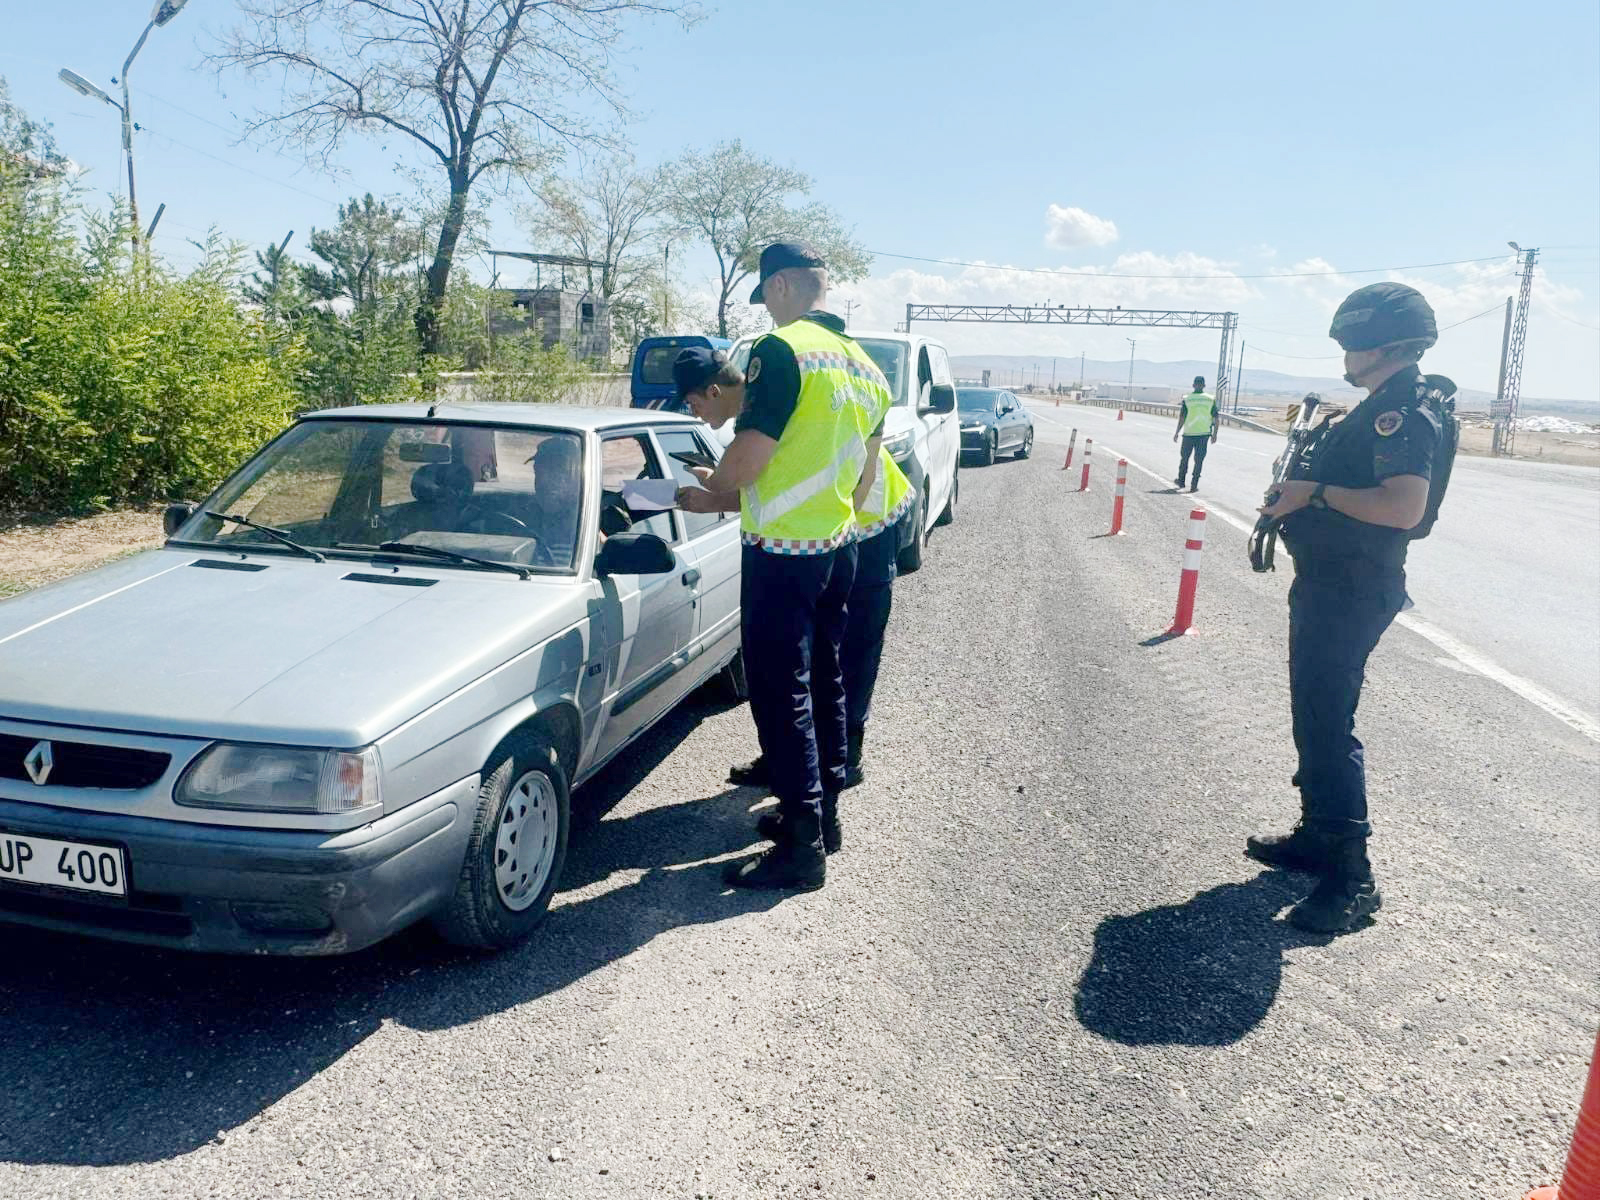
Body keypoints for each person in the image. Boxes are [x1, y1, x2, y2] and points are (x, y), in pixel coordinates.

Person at [676, 243, 891, 891]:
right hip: (839, 547)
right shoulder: (866, 366)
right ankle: (825, 819)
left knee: (780, 692)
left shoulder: (781, 350)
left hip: (781, 554)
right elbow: (863, 480)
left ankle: (802, 848)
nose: (767, 310)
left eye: (766, 296)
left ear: (781, 286)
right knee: (825, 681)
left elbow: (749, 457)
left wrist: (713, 487)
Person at [1251, 282, 1448, 934]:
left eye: (1349, 343)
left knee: (1328, 725)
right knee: (1314, 716)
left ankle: (1352, 879)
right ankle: (1318, 836)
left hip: (1352, 588)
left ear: (1381, 345)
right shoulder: (1379, 406)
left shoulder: (1401, 413)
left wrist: (1314, 494)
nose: (1343, 354)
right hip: (1330, 582)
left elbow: (1404, 507)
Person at [727, 441, 913, 803]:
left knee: (850, 651)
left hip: (867, 523)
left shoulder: (795, 410)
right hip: (824, 528)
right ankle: (788, 761)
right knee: (801, 655)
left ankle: (843, 760)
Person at [1172, 375, 1218, 492]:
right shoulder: (1210, 399)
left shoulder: (1188, 399)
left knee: (1184, 458)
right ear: (1204, 385)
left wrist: (1177, 432)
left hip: (1189, 434)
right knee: (1199, 460)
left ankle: (1181, 481)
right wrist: (1215, 434)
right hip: (1204, 434)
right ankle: (1194, 484)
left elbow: (1182, 417)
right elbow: (1216, 418)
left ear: (1193, 385)